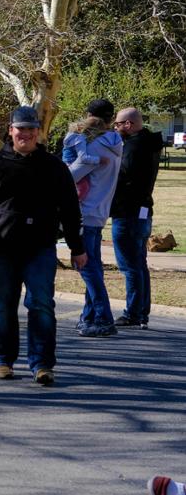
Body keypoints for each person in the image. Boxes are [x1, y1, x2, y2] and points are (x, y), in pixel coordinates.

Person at [0, 106, 87, 386]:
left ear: (38, 133)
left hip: (40, 248)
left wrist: (76, 247)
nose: (26, 134)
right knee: (3, 306)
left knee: (41, 305)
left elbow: (70, 210)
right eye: (21, 128)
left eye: (31, 129)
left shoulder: (54, 167)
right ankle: (3, 360)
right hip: (1, 248)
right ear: (11, 131)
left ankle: (42, 364)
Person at [67, 98, 122, 338]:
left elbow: (69, 177)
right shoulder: (116, 143)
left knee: (87, 268)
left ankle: (103, 318)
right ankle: (88, 317)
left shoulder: (94, 147)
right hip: (99, 212)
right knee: (94, 268)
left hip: (85, 212)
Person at [111, 107, 162, 330]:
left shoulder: (132, 148)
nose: (116, 127)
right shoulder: (150, 144)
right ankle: (141, 312)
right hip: (143, 211)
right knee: (139, 265)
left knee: (130, 266)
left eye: (118, 124)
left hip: (127, 213)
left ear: (129, 125)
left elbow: (122, 176)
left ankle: (133, 312)